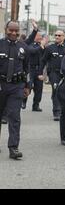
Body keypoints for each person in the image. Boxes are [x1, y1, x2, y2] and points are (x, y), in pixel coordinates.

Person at [0, 21, 30, 159]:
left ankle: (13, 148)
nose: (13, 33)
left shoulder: (24, 47)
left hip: (16, 87)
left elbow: (26, 69)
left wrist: (27, 86)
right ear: (5, 29)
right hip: (1, 85)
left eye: (16, 31)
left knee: (14, 118)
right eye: (11, 30)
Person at [39, 30, 65, 121]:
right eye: (56, 35)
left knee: (64, 92)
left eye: (59, 35)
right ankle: (57, 112)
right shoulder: (50, 48)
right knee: (56, 90)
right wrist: (40, 73)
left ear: (64, 37)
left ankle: (64, 110)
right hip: (54, 73)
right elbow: (43, 61)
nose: (57, 37)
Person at [24, 31, 48, 111]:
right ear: (35, 36)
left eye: (41, 36)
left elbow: (46, 57)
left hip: (39, 69)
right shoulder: (30, 44)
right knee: (29, 86)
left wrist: (44, 45)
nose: (41, 37)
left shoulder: (43, 46)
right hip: (31, 69)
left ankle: (36, 105)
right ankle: (24, 101)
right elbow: (32, 51)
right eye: (39, 36)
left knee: (39, 89)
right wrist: (41, 46)